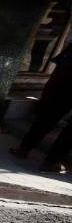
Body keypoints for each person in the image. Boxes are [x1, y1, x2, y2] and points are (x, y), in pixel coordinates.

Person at [11, 45, 72, 173]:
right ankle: (50, 162)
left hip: (64, 83)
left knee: (48, 116)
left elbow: (60, 69)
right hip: (65, 83)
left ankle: (24, 149)